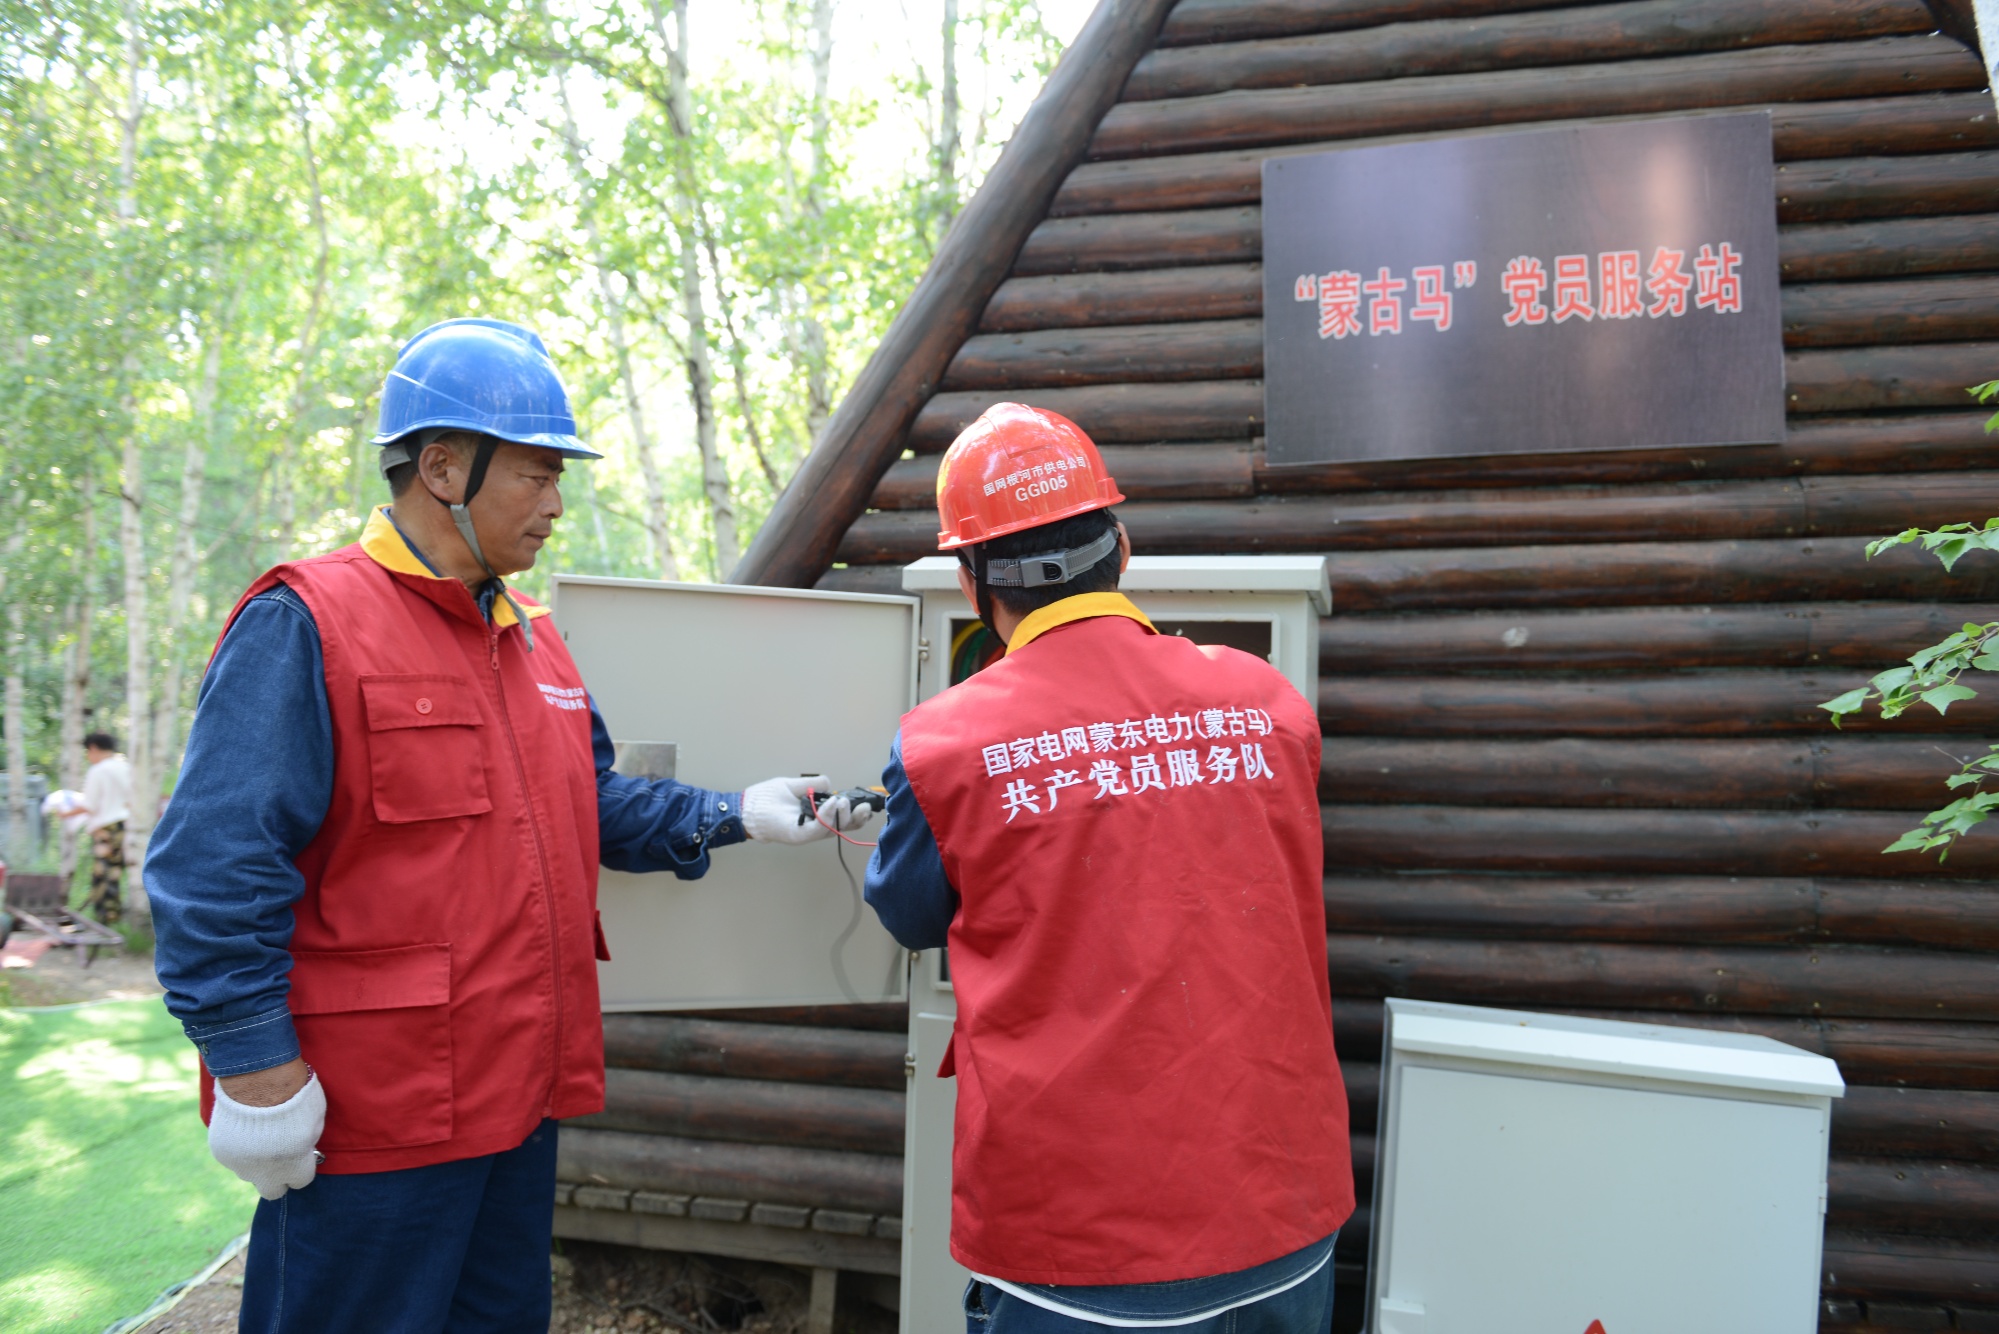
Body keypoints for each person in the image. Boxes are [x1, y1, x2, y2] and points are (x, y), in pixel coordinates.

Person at [146, 317, 874, 1334]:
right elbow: (211, 868)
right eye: (534, 474)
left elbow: (593, 798)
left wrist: (734, 813)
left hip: (517, 1101)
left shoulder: (532, 638)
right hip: (374, 1118)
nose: (555, 502)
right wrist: (254, 1067)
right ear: (442, 466)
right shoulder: (308, 619)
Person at [863, 403, 1354, 1333]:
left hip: (1078, 1241)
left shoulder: (943, 743)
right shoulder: (1268, 703)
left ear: (973, 582)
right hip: (1280, 1208)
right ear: (1118, 547)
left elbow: (910, 913)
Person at [79, 732, 133, 925]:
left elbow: (90, 805)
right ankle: (115, 916)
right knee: (116, 872)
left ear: (93, 748)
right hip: (126, 826)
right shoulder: (127, 767)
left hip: (105, 829)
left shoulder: (98, 770)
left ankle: (104, 918)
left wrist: (67, 812)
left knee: (102, 873)